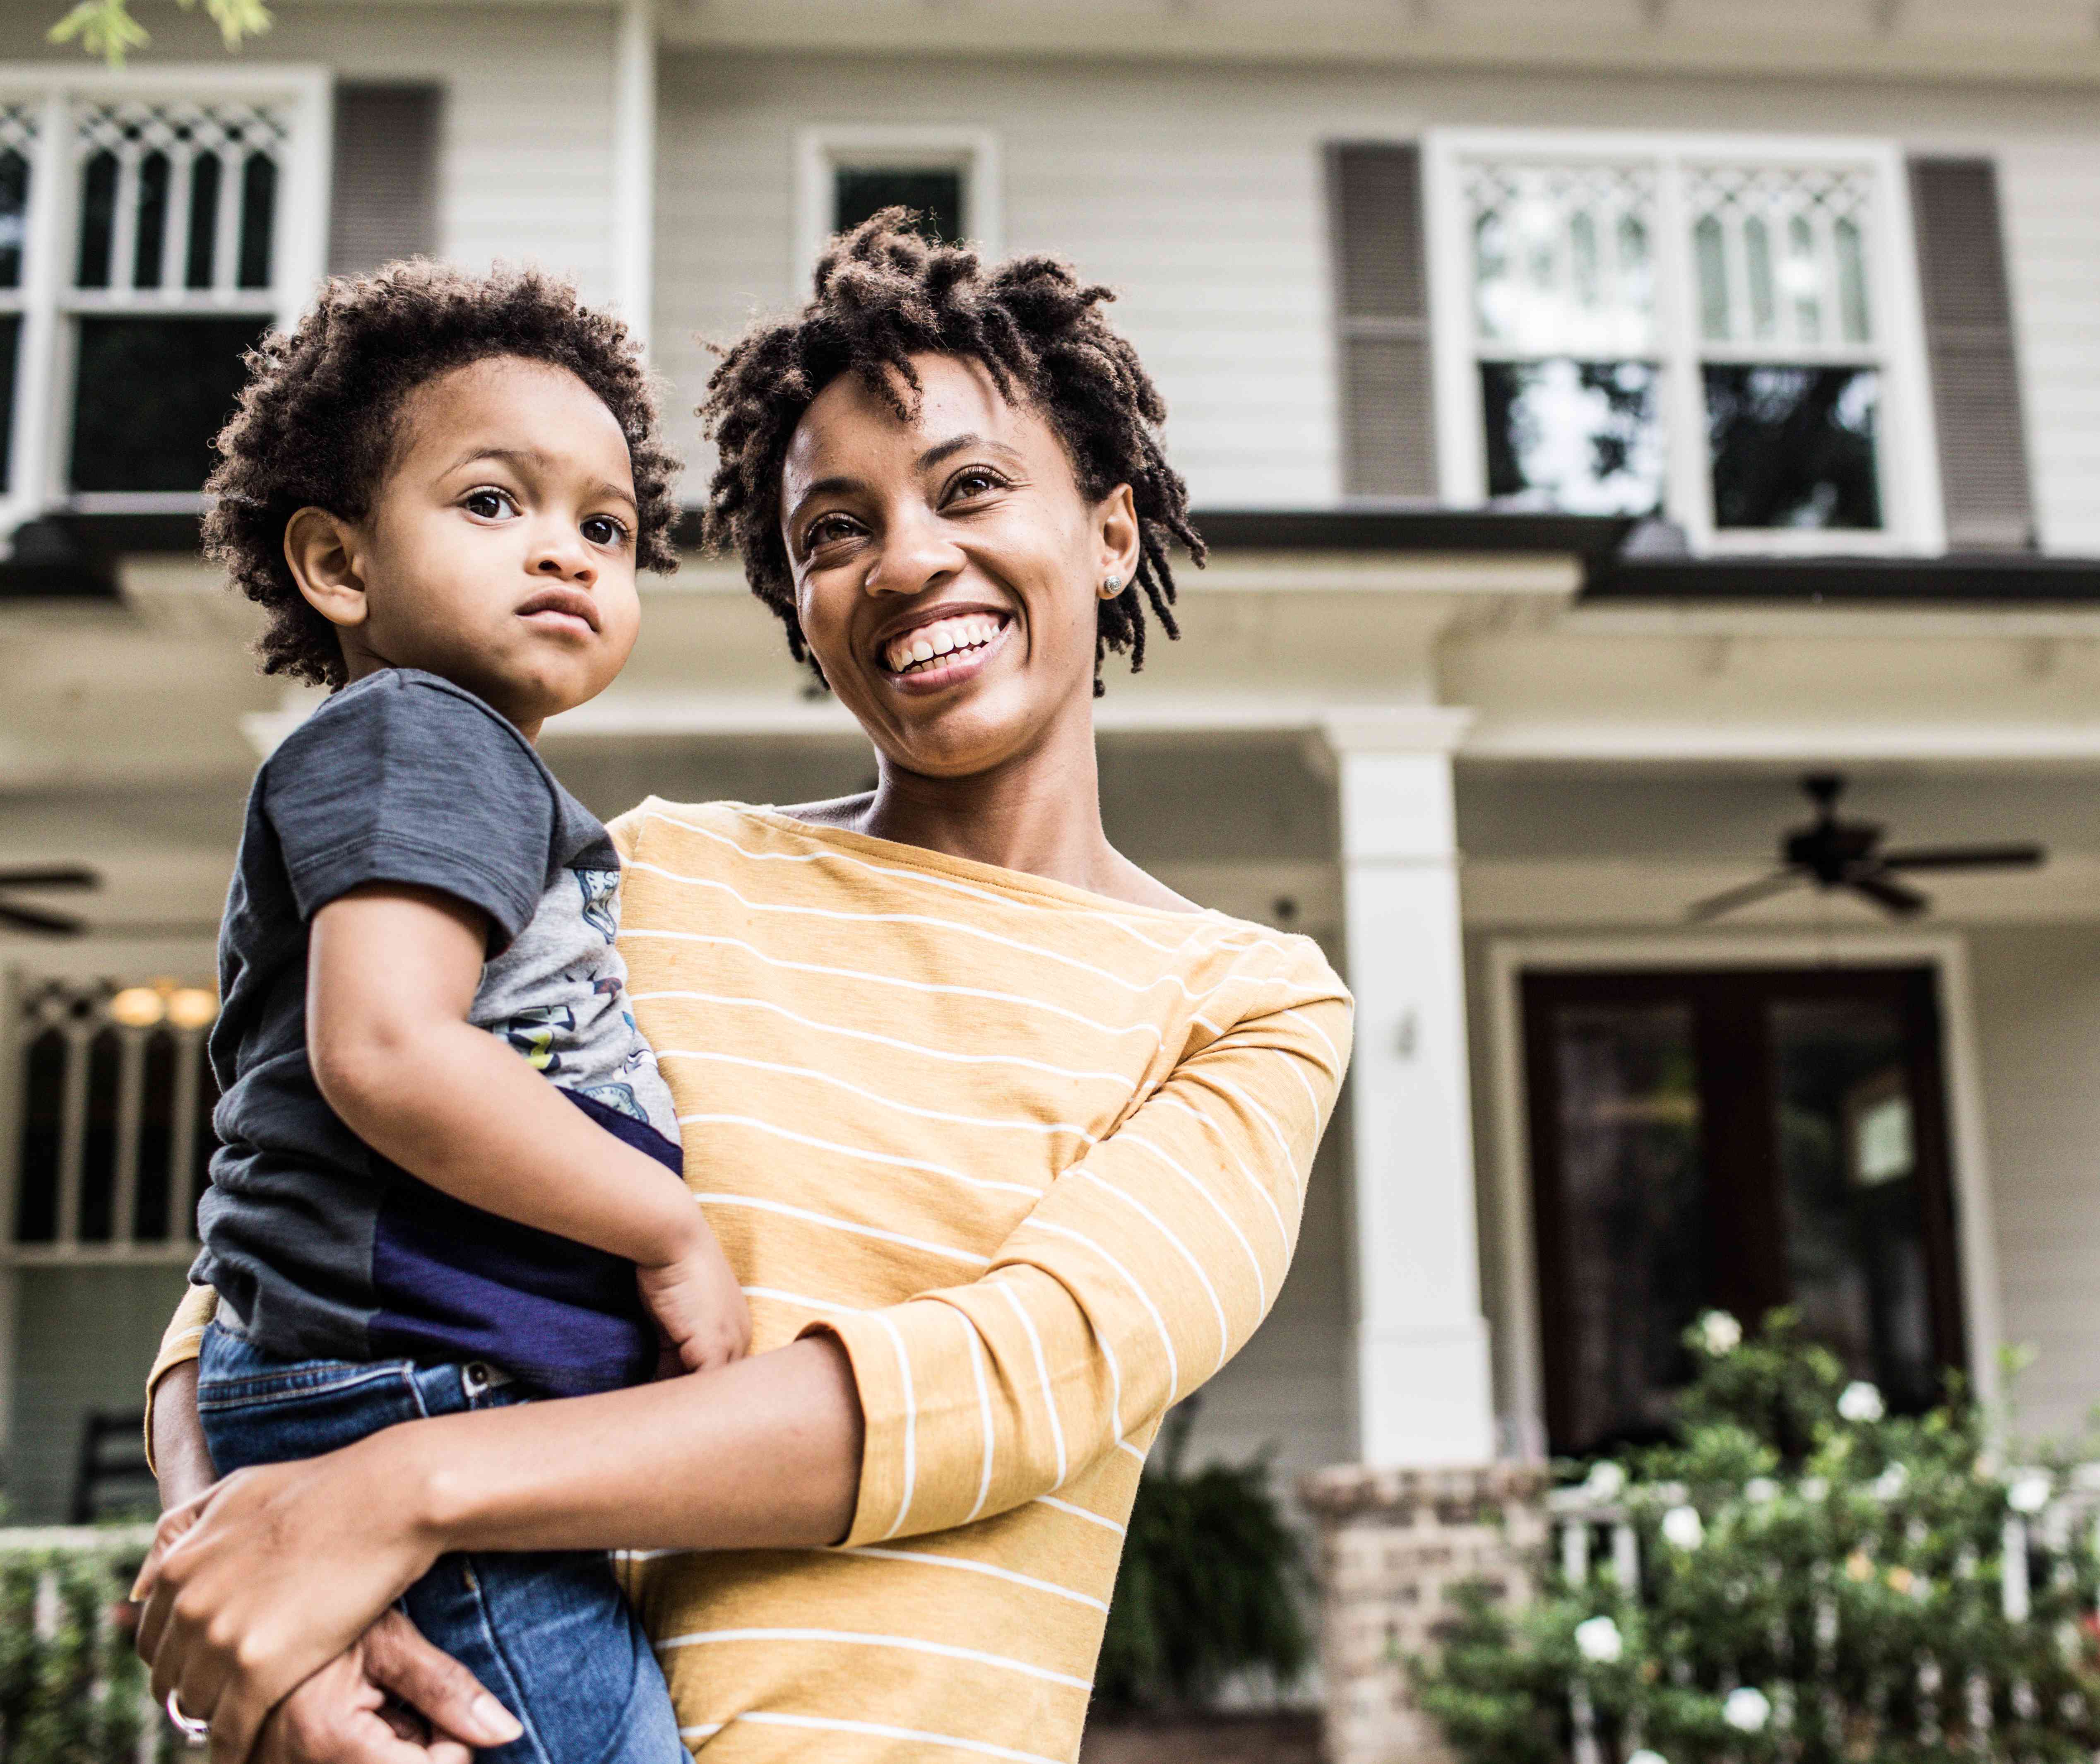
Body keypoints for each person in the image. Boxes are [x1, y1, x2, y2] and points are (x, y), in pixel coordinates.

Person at [137, 212, 1354, 1764]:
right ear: (799, 603)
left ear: (1112, 534)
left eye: (971, 486)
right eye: (833, 530)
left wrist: (392, 1494)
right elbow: (271, 1242)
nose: (909, 557)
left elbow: (1002, 1391)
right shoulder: (642, 876)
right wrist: (276, 1620)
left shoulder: (1241, 1003)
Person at [158, 261, 751, 1764]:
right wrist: (666, 1228)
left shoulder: (441, 762)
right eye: (493, 504)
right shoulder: (428, 734)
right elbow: (388, 1052)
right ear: (339, 567)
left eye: (603, 527)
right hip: (411, 1398)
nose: (562, 552)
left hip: (413, 1394)